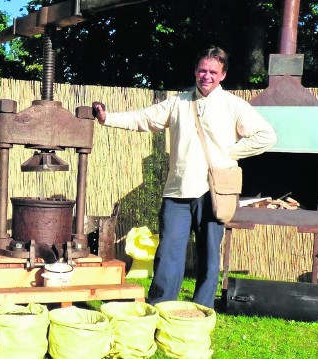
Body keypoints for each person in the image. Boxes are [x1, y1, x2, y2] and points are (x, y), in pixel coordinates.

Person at [92, 47, 277, 308]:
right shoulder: (178, 103)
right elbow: (144, 118)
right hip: (177, 192)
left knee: (210, 255)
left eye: (213, 71)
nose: (207, 76)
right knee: (168, 253)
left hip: (214, 192)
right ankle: (160, 307)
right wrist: (107, 118)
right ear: (195, 71)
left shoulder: (234, 105)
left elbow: (266, 135)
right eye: (203, 70)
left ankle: (202, 309)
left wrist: (229, 152)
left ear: (223, 75)